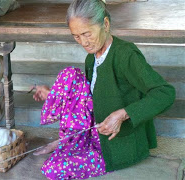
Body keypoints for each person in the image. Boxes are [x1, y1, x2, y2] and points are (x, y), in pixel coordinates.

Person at [32, 0, 176, 179]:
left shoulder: (126, 56)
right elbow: (88, 99)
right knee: (69, 75)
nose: (83, 42)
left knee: (52, 169)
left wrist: (122, 114)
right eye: (76, 36)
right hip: (95, 131)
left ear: (105, 25)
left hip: (114, 143)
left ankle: (73, 144)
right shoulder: (91, 59)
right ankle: (68, 140)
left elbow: (165, 93)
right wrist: (53, 94)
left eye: (87, 34)